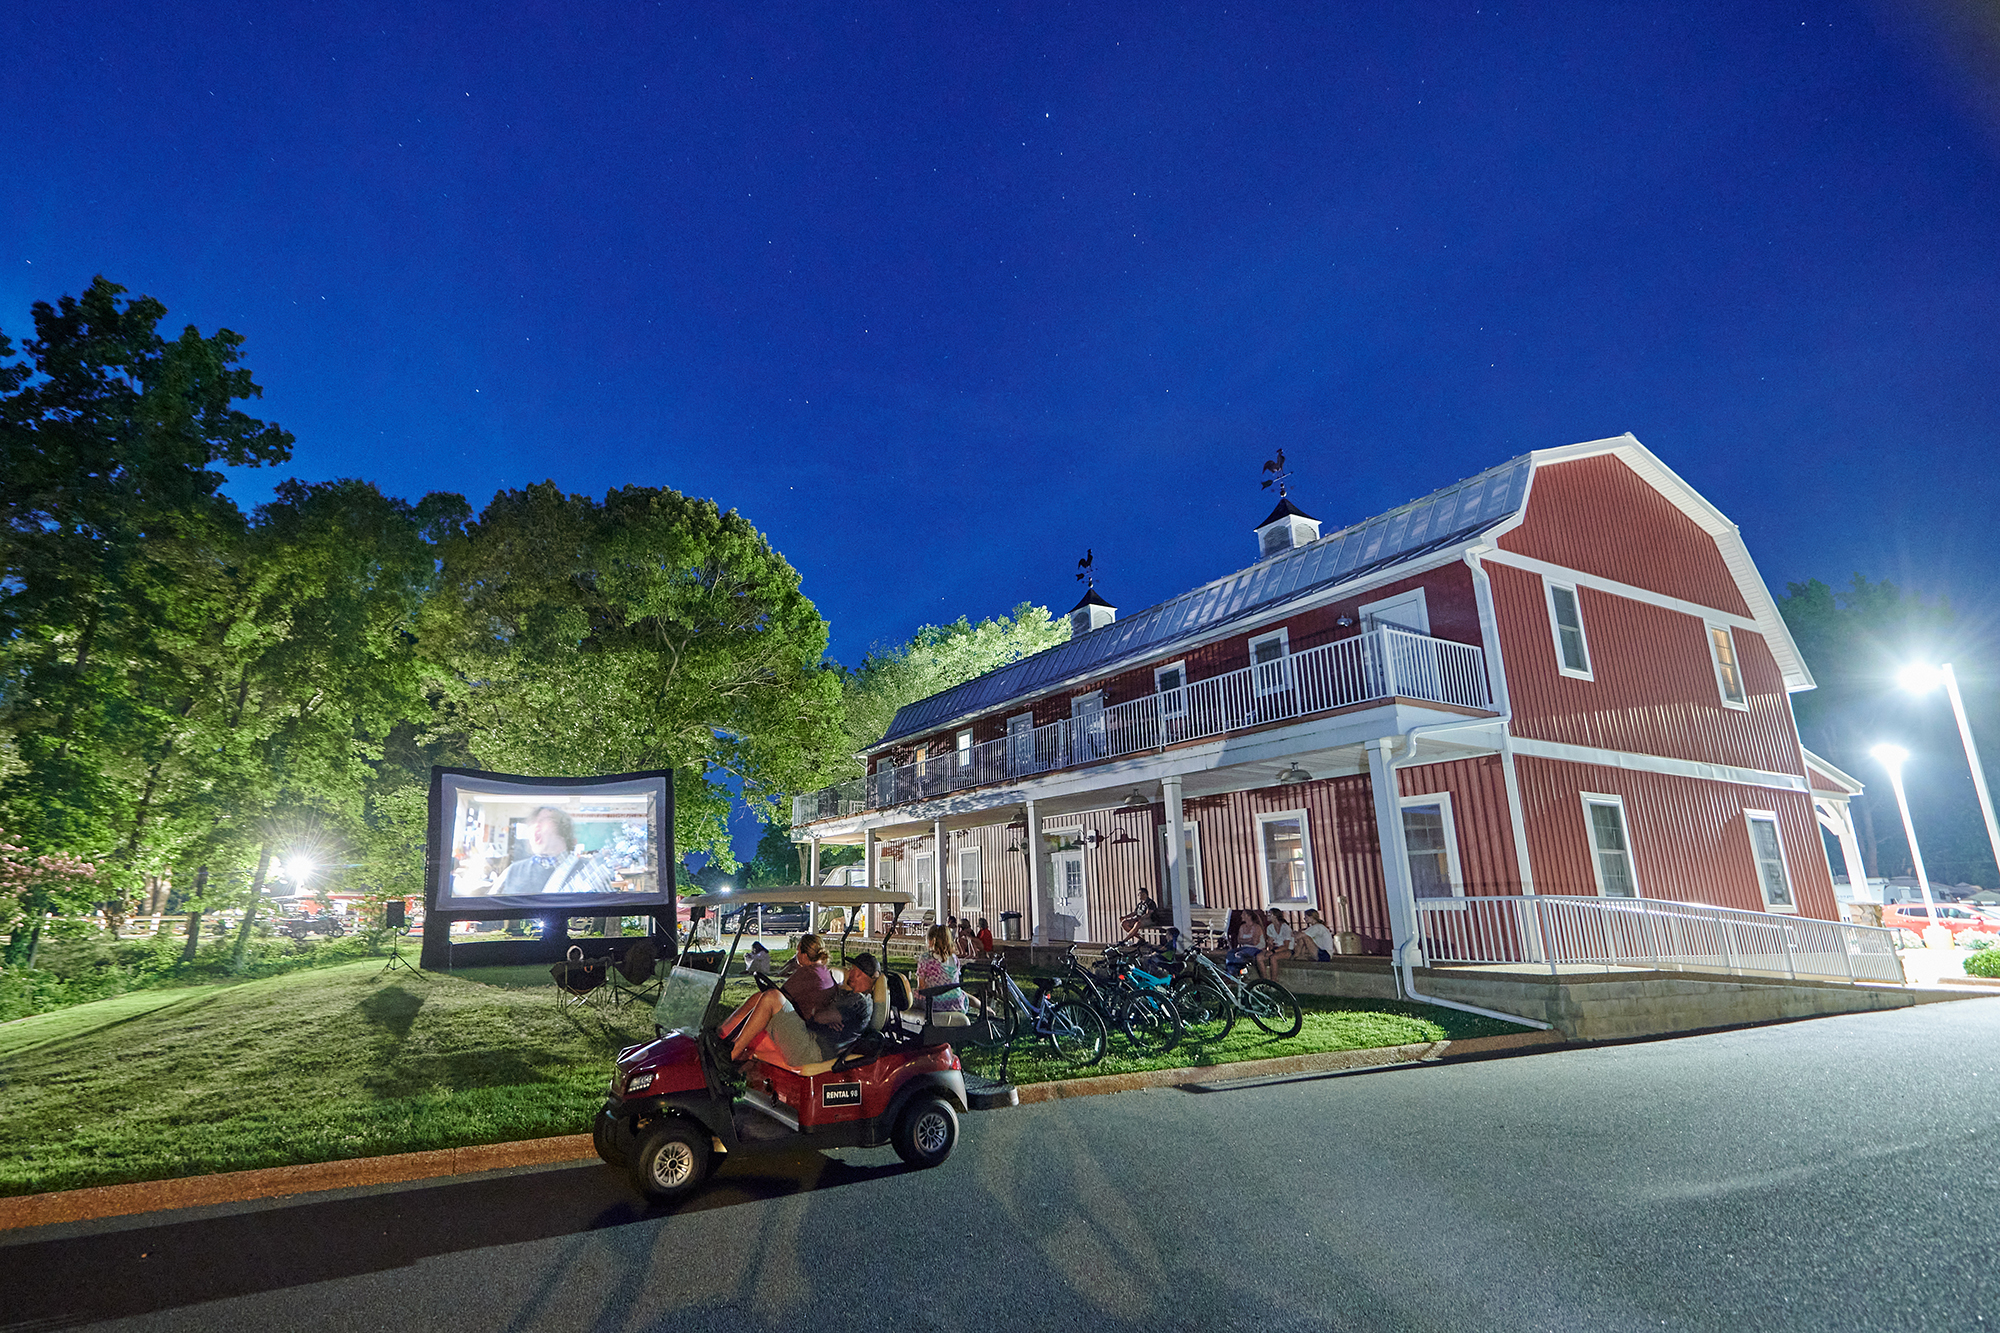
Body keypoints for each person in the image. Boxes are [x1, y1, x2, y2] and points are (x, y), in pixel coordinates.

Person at [733, 951, 878, 1067]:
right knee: (760, 997)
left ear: (860, 973)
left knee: (772, 997)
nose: (850, 972)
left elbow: (820, 1016)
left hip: (813, 1050)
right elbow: (823, 1013)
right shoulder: (847, 995)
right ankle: (724, 1038)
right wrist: (824, 1013)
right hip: (810, 1039)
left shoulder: (861, 1001)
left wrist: (821, 1012)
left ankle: (730, 1055)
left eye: (853, 970)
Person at [492, 806, 615, 896]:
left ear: (563, 831)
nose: (536, 826)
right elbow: (488, 911)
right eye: (533, 823)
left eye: (543, 820)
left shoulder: (591, 871)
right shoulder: (512, 871)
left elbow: (609, 917)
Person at [913, 923, 965, 1016]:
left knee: (910, 997)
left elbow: (921, 986)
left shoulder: (925, 958)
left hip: (934, 1004)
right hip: (956, 1004)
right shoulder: (954, 958)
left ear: (930, 941)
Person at [1224, 908, 1264, 976]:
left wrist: (1245, 940)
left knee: (1239, 955)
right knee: (1230, 953)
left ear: (1249, 916)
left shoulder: (1256, 927)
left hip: (1256, 948)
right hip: (1245, 947)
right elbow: (1239, 940)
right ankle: (1229, 973)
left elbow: (1255, 942)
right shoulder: (1242, 927)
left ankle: (1232, 974)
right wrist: (1249, 939)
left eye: (1243, 914)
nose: (1241, 916)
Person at [1261, 909, 1296, 980]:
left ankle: (1274, 981)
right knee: (1259, 957)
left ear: (1275, 916)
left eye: (1269, 914)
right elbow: (1270, 943)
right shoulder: (1270, 927)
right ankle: (1264, 980)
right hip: (1275, 948)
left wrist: (1272, 952)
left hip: (1287, 950)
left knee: (1273, 958)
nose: (1267, 916)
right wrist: (1269, 947)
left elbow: (1286, 946)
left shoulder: (1285, 928)